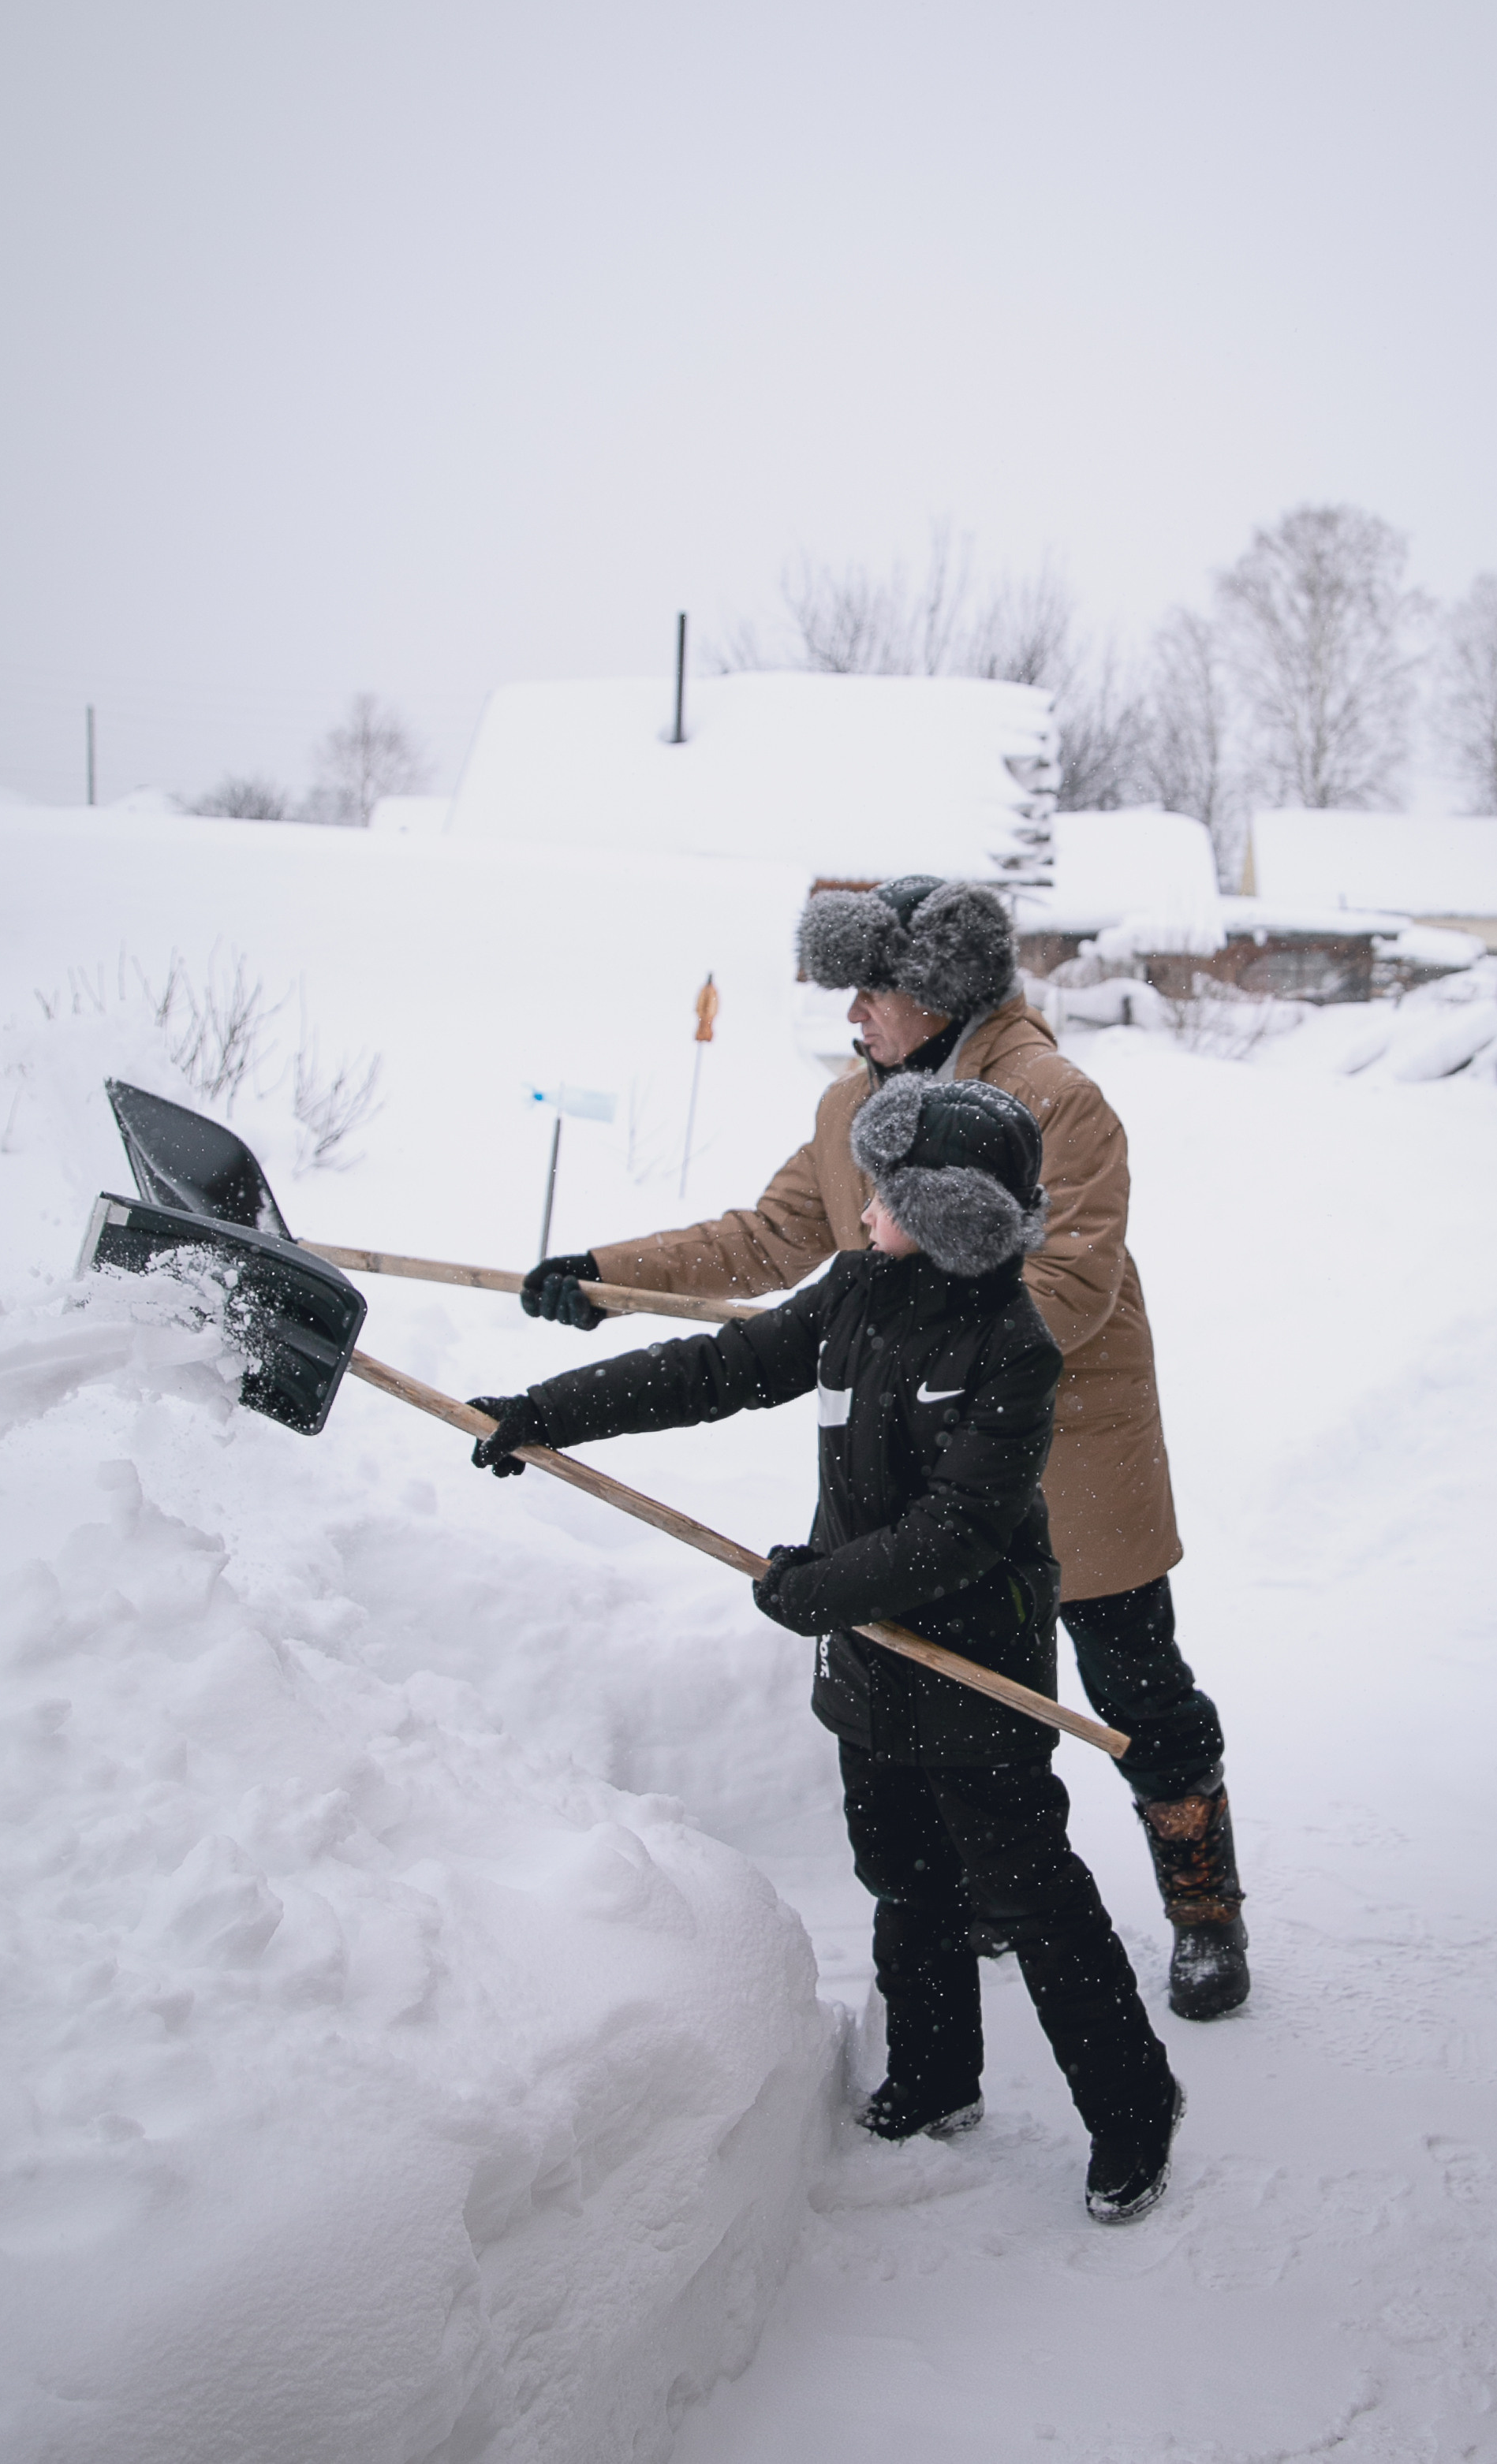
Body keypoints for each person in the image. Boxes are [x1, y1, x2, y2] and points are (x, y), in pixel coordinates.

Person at [522, 878, 1249, 2022]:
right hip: (920, 1459)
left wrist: (909, 1356)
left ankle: (1201, 1896)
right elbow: (765, 1237)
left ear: (936, 991)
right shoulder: (845, 1111)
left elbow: (1070, 1281)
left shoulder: (1056, 1101)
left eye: (869, 989)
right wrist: (606, 1277)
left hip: (1067, 1454)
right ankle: (994, 1899)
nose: (850, 1013)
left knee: (1131, 1683)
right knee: (958, 1678)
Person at [474, 1072, 1184, 2223]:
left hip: (977, 1666)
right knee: (902, 1872)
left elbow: (959, 1529)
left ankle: (1133, 2110)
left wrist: (815, 1588)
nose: (859, 1211)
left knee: (1027, 1888)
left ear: (944, 1209)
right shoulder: (856, 1287)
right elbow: (721, 1369)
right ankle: (933, 2075)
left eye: (884, 1194)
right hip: (866, 1652)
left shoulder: (1014, 1345)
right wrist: (547, 1410)